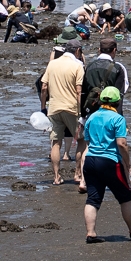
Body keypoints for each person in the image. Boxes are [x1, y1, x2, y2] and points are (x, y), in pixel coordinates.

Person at [79, 85, 131, 244]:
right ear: (118, 102)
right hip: (109, 162)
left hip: (90, 161)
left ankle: (91, 234)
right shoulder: (118, 119)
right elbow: (121, 144)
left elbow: (87, 142)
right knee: (125, 197)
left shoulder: (92, 118)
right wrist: (129, 165)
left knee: (93, 199)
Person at [37, 41, 85, 185]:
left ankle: (56, 177)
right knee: (81, 140)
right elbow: (79, 91)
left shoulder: (52, 64)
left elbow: (44, 87)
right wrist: (81, 110)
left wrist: (43, 108)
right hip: (71, 108)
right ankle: (77, 173)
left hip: (54, 108)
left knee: (55, 143)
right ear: (77, 51)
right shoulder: (78, 65)